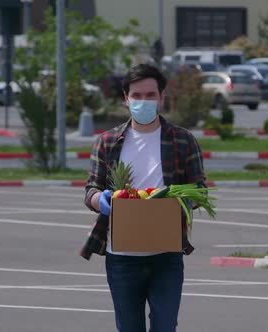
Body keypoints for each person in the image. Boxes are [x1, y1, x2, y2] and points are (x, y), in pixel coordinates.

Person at [82, 63, 207, 332]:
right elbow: (90, 190)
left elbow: (200, 189)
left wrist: (182, 201)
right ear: (126, 99)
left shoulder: (183, 141)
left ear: (162, 97)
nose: (144, 101)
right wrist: (99, 199)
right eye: (137, 96)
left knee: (165, 327)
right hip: (122, 258)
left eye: (151, 95)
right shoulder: (107, 142)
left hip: (166, 255)